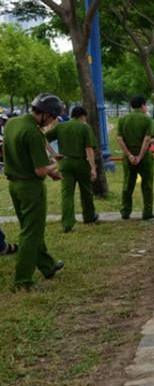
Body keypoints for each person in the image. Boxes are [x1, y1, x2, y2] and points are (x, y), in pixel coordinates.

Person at [3, 93, 65, 291]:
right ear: (45, 114)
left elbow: (14, 151)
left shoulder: (12, 123)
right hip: (31, 188)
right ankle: (23, 281)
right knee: (31, 233)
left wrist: (48, 171)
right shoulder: (33, 133)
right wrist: (54, 166)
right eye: (54, 117)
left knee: (31, 228)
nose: (53, 122)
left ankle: (47, 266)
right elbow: (40, 170)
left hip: (14, 183)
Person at [45, 106, 98, 233]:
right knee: (86, 191)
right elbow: (89, 149)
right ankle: (89, 217)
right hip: (81, 163)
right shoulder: (85, 127)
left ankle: (67, 223)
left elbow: (43, 138)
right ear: (82, 116)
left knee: (67, 194)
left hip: (65, 162)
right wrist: (93, 167)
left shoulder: (60, 126)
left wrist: (53, 153)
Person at [117, 95, 154, 220]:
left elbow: (119, 139)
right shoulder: (147, 120)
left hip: (128, 157)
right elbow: (147, 139)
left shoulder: (123, 120)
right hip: (144, 156)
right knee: (147, 184)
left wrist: (129, 155)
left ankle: (125, 211)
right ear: (143, 105)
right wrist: (139, 156)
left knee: (128, 183)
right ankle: (147, 211)